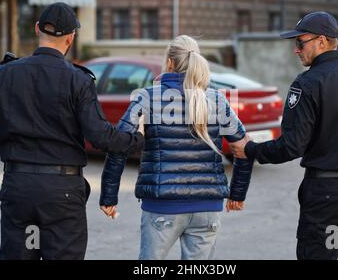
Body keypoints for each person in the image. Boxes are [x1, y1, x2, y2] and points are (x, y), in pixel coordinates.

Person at [0, 2, 144, 260]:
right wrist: (138, 140)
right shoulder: (78, 80)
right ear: (71, 38)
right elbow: (100, 136)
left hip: (19, 186)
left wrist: (9, 146)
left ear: (37, 29)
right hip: (62, 191)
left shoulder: (4, 73)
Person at [232, 12, 338, 260]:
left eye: (300, 42)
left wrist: (251, 149)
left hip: (326, 193)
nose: (296, 50)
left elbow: (292, 146)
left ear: (321, 41)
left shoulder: (307, 83)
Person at [99, 35, 253, 260]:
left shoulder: (147, 98)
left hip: (162, 207)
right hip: (207, 208)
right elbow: (243, 148)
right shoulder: (216, 100)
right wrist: (237, 194)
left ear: (169, 62)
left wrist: (109, 197)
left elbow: (119, 146)